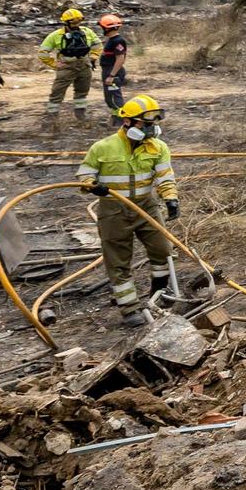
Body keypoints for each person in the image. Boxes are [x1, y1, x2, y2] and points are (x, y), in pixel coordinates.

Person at [75, 96, 177, 327]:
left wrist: (171, 199)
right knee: (118, 260)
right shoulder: (102, 147)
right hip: (113, 210)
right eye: (146, 123)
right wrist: (92, 185)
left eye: (154, 123)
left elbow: (164, 177)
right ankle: (129, 308)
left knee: (163, 249)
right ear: (128, 123)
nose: (151, 128)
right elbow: (84, 174)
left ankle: (159, 294)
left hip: (146, 206)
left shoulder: (158, 148)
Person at [39, 8, 103, 126]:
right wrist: (54, 64)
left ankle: (81, 116)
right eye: (73, 23)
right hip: (66, 68)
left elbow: (98, 45)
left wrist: (93, 58)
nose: (76, 25)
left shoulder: (87, 32)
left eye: (78, 22)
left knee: (82, 92)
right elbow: (42, 53)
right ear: (66, 23)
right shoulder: (55, 35)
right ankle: (51, 118)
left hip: (84, 66)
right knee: (57, 93)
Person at [98, 14, 129, 111]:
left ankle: (122, 119)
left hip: (112, 71)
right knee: (109, 98)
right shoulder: (111, 40)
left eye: (102, 27)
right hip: (108, 70)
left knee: (115, 98)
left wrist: (112, 76)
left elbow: (120, 59)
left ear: (107, 28)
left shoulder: (118, 41)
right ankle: (116, 118)